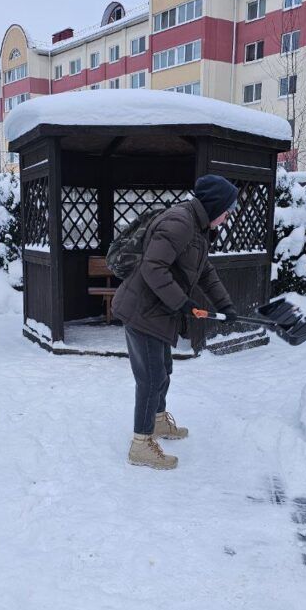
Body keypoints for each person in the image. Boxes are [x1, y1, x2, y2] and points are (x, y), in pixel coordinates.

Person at [112, 175, 240, 470]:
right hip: (142, 310)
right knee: (151, 378)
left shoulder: (197, 227)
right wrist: (181, 302)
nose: (228, 215)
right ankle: (141, 445)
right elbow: (152, 267)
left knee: (164, 370)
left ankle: (157, 421)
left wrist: (225, 305)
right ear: (214, 205)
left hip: (157, 310)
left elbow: (204, 271)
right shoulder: (180, 223)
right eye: (227, 209)